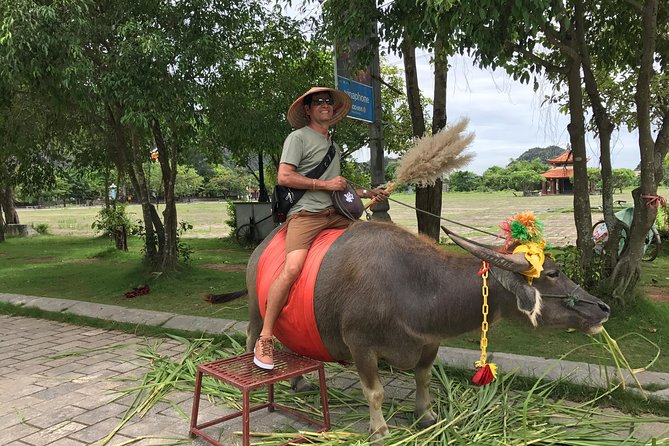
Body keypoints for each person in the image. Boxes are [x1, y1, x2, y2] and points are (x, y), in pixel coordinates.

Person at [253, 86, 388, 369]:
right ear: (308, 109)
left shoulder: (332, 145)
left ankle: (364, 332)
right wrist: (323, 185)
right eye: (318, 102)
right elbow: (284, 176)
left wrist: (368, 193)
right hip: (306, 215)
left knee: (373, 249)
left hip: (336, 213)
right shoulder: (298, 137)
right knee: (292, 268)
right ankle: (265, 337)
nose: (324, 105)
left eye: (328, 101)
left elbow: (339, 185)